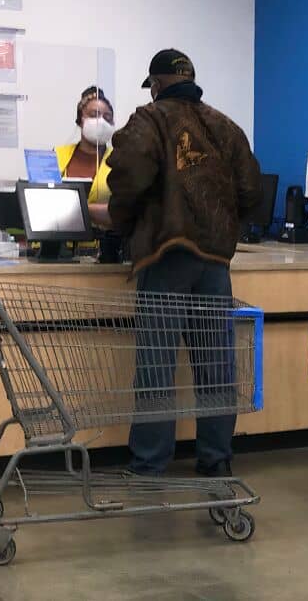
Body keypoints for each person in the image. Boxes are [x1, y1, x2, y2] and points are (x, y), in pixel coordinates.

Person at [106, 49, 262, 476]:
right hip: (214, 264)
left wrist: (123, 222)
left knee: (157, 367)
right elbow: (252, 191)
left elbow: (127, 177)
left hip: (166, 256)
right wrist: (223, 225)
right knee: (216, 367)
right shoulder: (225, 126)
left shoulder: (150, 119)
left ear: (156, 85)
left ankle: (150, 463)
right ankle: (216, 461)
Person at [56, 86, 115, 207]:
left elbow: (126, 207)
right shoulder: (57, 155)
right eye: (94, 115)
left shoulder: (119, 158)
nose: (101, 122)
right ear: (80, 120)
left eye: (107, 117)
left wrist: (82, 210)